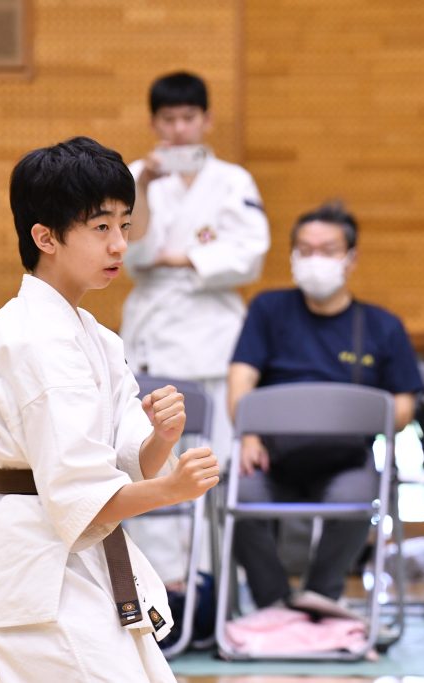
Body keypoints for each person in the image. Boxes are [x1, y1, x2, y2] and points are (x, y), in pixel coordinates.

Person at [0, 137, 220, 681]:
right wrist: (172, 490)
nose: (120, 244)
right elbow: (82, 492)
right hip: (36, 553)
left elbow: (124, 462)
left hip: (73, 549)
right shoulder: (35, 336)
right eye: (101, 227)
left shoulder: (95, 336)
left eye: (124, 225)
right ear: (46, 237)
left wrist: (160, 439)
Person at [227, 200, 423, 610]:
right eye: (305, 250)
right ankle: (274, 604)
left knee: (358, 501)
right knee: (236, 495)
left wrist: (365, 414)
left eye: (328, 250)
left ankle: (319, 598)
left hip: (345, 461)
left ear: (351, 258)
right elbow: (240, 380)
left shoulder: (382, 326)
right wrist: (249, 435)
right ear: (292, 255)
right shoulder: (268, 310)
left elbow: (405, 405)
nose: (315, 259)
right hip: (271, 457)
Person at [119, 71, 268, 585]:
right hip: (154, 329)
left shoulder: (232, 181)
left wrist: (183, 258)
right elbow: (129, 251)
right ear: (154, 123)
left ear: (206, 120)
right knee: (153, 460)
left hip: (213, 334)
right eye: (169, 119)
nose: (179, 129)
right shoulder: (135, 176)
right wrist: (143, 185)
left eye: (188, 118)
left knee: (213, 461)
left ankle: (214, 582)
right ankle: (161, 583)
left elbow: (250, 254)